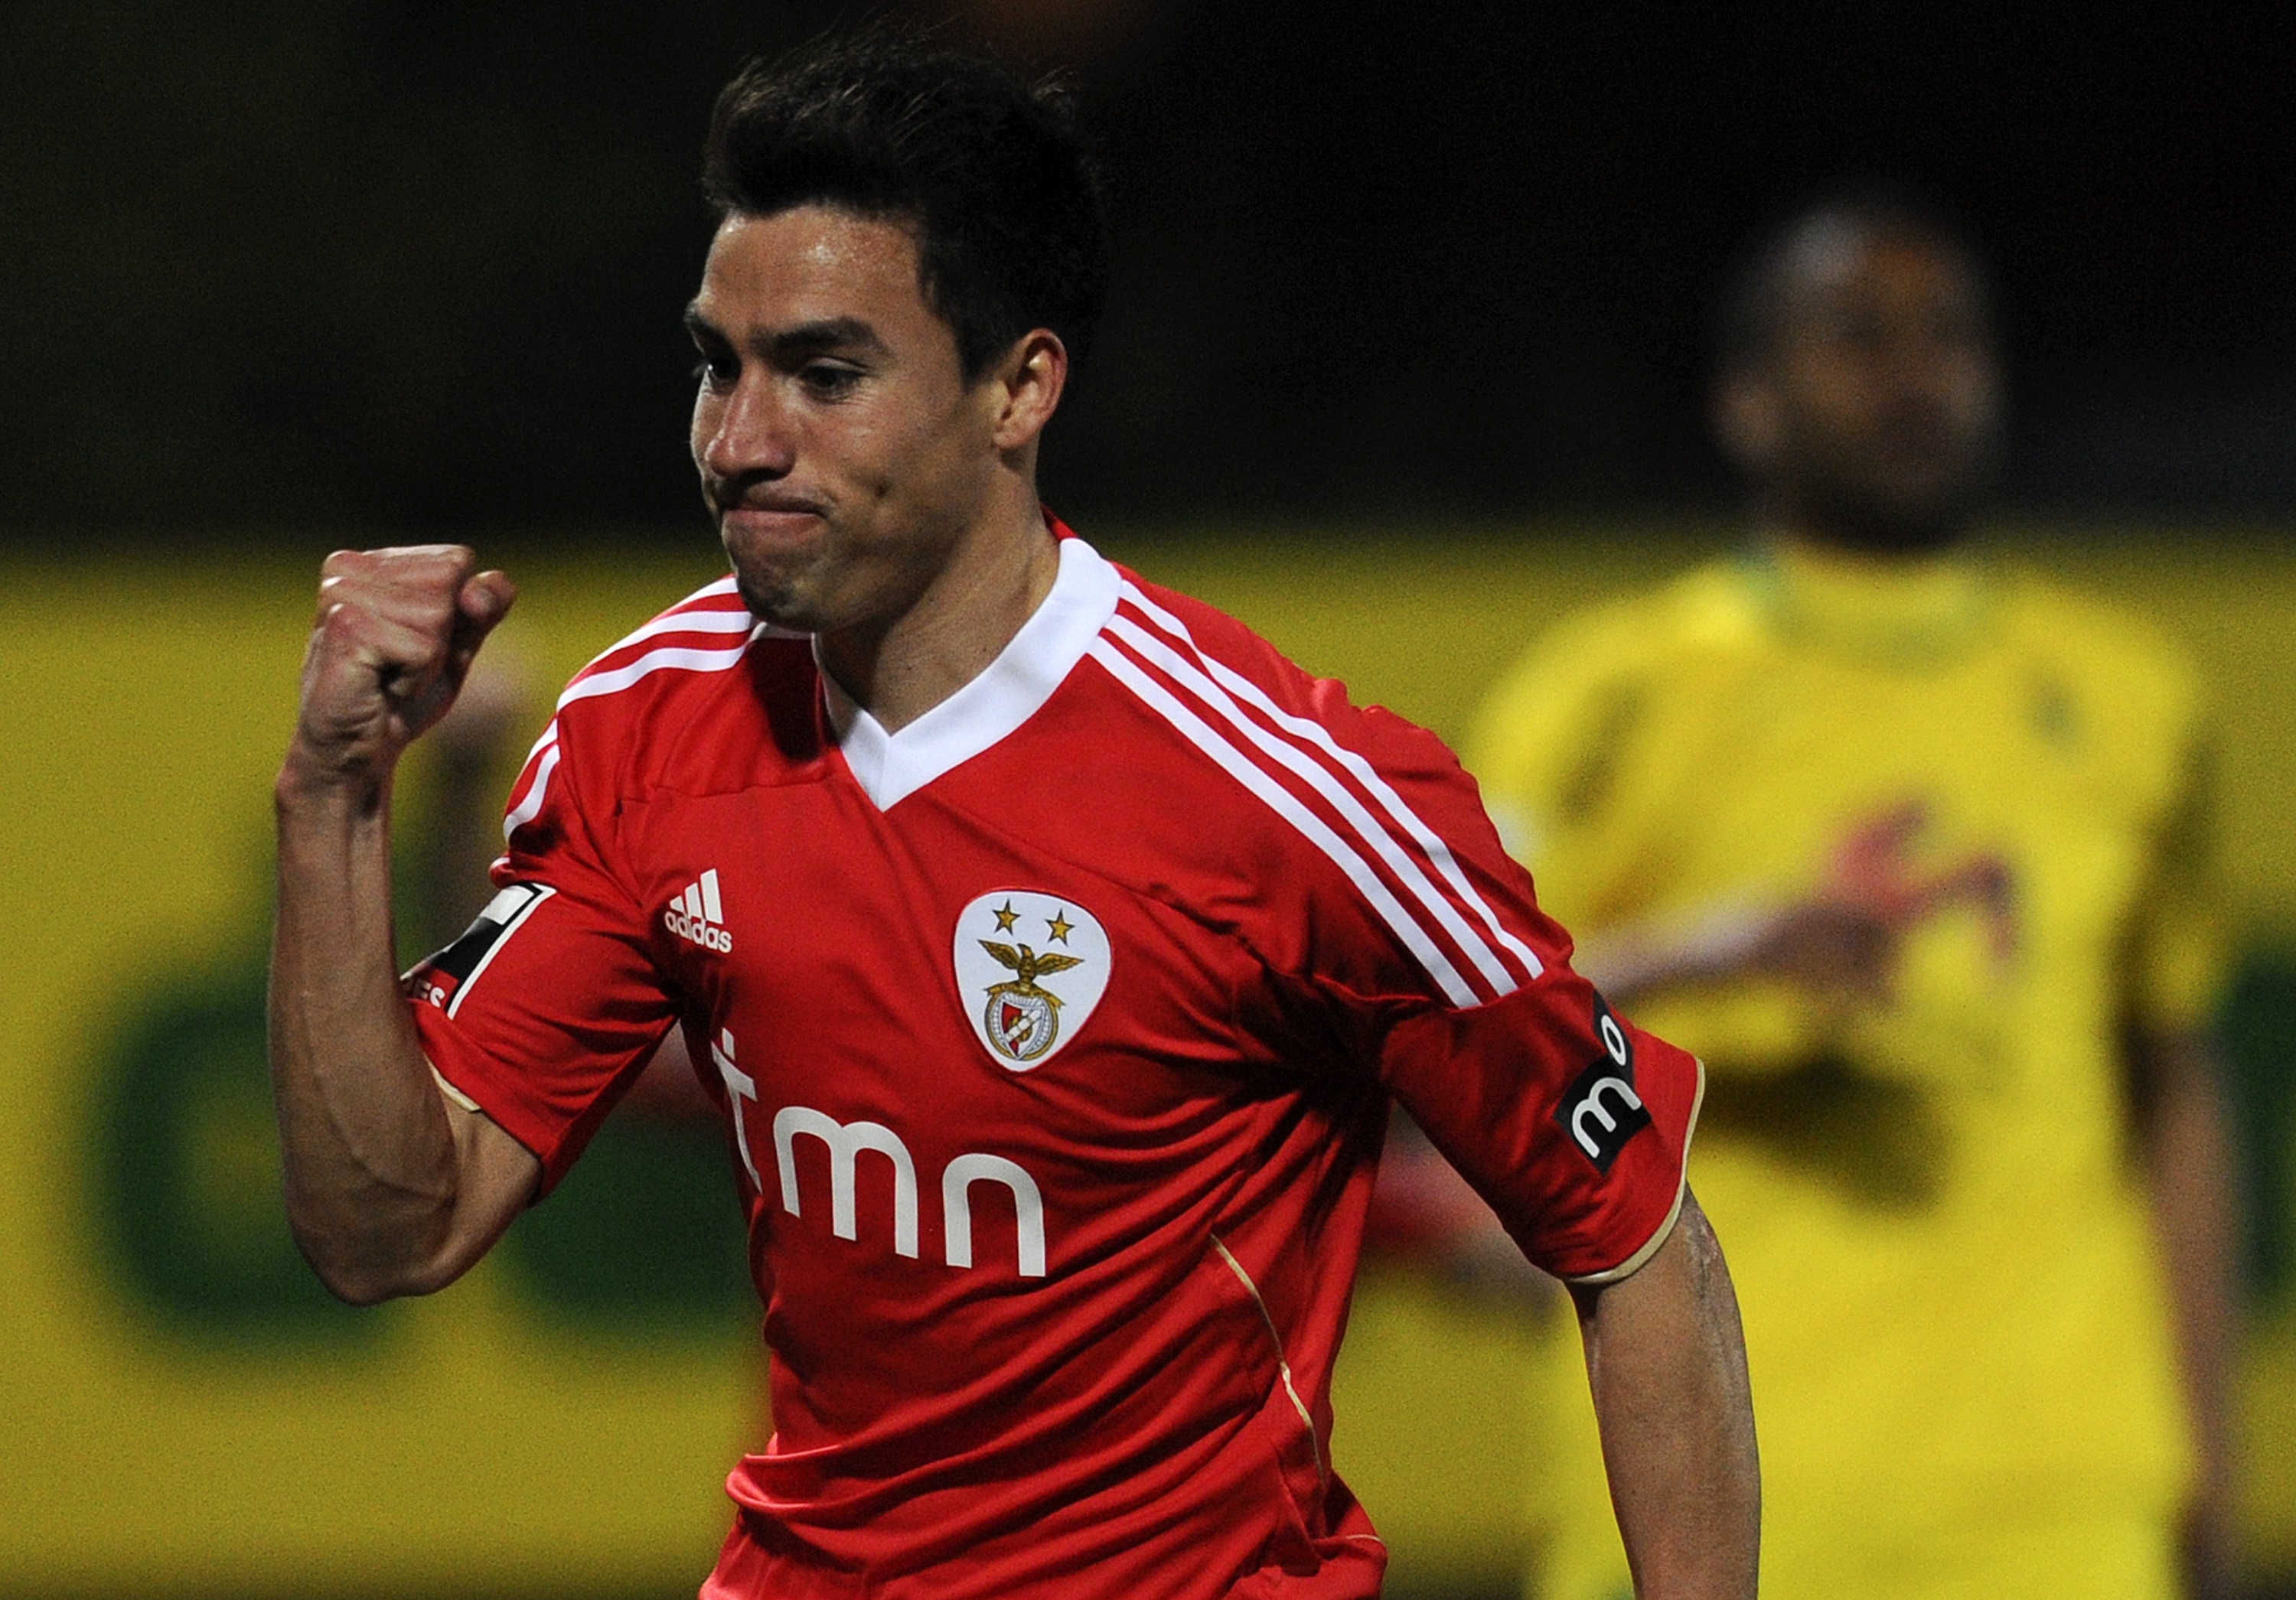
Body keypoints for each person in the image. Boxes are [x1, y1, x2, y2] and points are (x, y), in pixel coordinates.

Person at [267, 24, 1758, 1600]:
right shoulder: (646, 727)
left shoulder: (1290, 793)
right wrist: (331, 798)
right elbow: (390, 1227)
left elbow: (1640, 1240)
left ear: (1018, 388)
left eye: (824, 375)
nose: (739, 441)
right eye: (719, 365)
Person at [1466, 195, 2239, 1599]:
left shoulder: (2135, 700)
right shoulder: (1609, 698)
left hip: (2060, 1504)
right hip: (1710, 1494)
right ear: (1747, 400)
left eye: (1950, 336)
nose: (1915, 374)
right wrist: (1712, 950)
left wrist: (2213, 1481)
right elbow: (1443, 1039)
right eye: (1859, 338)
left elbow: (2172, 1093)